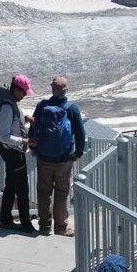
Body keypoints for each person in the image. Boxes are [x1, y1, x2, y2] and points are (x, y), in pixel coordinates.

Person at [27, 82, 91, 236]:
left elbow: (33, 127)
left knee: (43, 192)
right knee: (62, 193)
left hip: (44, 158)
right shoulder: (72, 108)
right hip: (64, 159)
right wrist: (78, 153)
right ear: (65, 91)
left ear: (52, 89)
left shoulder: (43, 106)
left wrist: (34, 148)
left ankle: (44, 226)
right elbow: (81, 133)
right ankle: (61, 228)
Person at [0, 79, 36, 232]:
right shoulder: (7, 107)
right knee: (22, 190)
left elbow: (11, 124)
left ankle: (5, 220)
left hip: (12, 151)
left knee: (11, 186)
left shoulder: (9, 103)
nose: (25, 95)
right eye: (24, 92)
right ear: (16, 90)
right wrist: (25, 141)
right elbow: (4, 136)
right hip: (13, 152)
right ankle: (26, 225)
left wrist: (25, 119)